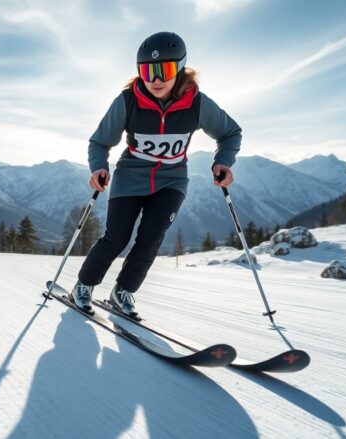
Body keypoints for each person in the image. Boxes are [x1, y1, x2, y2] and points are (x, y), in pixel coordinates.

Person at [70, 31, 242, 320]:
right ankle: (83, 287)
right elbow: (99, 142)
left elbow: (230, 133)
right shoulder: (128, 101)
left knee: (150, 238)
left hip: (172, 180)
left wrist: (223, 162)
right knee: (116, 237)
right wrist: (98, 166)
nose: (156, 79)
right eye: (148, 71)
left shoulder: (197, 104)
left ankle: (123, 291)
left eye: (166, 70)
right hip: (130, 177)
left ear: (181, 69)